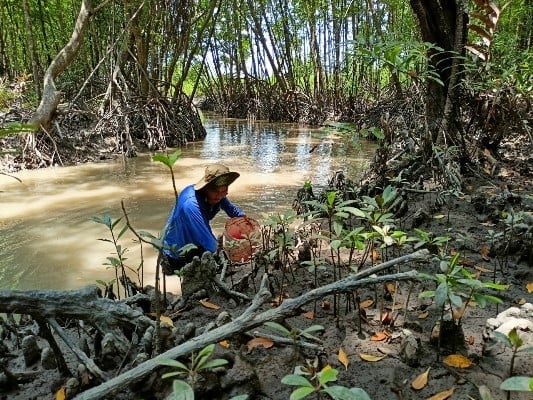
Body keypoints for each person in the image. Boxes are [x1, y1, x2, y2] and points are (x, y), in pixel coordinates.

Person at [161, 163, 245, 274]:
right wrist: (228, 257)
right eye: (215, 191)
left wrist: (246, 223)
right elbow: (207, 240)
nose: (220, 196)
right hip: (175, 251)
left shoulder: (218, 195)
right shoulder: (191, 204)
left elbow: (233, 211)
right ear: (206, 188)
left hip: (194, 243)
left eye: (224, 191)